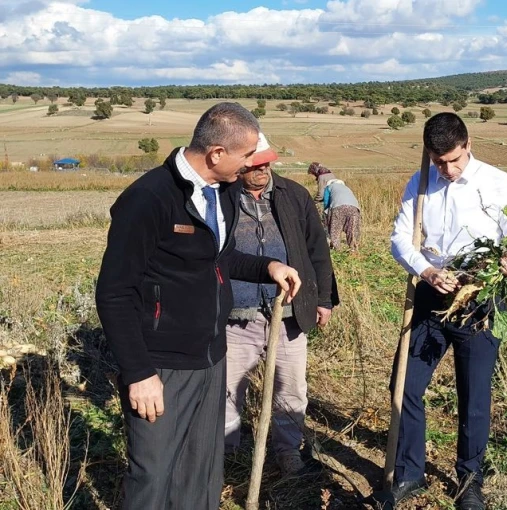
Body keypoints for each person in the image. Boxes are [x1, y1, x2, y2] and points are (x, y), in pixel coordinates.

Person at [95, 102, 301, 510]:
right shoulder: (148, 199)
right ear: (217, 154)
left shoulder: (221, 193)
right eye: (245, 157)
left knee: (201, 469)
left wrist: (268, 266)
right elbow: (114, 292)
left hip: (210, 356)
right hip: (161, 365)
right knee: (153, 473)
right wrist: (139, 373)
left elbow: (217, 259)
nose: (251, 166)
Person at [387, 112, 507, 509]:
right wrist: (427, 270)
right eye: (439, 162)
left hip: (481, 303)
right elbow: (400, 239)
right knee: (405, 386)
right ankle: (409, 472)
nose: (448, 169)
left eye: (454, 159)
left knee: (473, 395)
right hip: (432, 296)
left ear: (469, 145)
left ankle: (468, 480)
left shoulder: (499, 184)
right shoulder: (419, 184)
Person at [224, 130, 339, 475]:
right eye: (255, 165)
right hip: (235, 317)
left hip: (288, 314)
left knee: (291, 390)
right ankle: (227, 452)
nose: (262, 171)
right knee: (227, 392)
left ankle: (288, 450)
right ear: (241, 164)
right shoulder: (221, 197)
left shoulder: (295, 195)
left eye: (267, 164)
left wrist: (323, 300)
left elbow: (317, 250)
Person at [323, 178, 361, 250]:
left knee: (336, 227)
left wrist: (326, 213)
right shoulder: (346, 188)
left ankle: (336, 247)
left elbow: (326, 201)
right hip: (354, 207)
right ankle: (353, 248)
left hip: (338, 207)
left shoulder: (329, 187)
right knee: (352, 228)